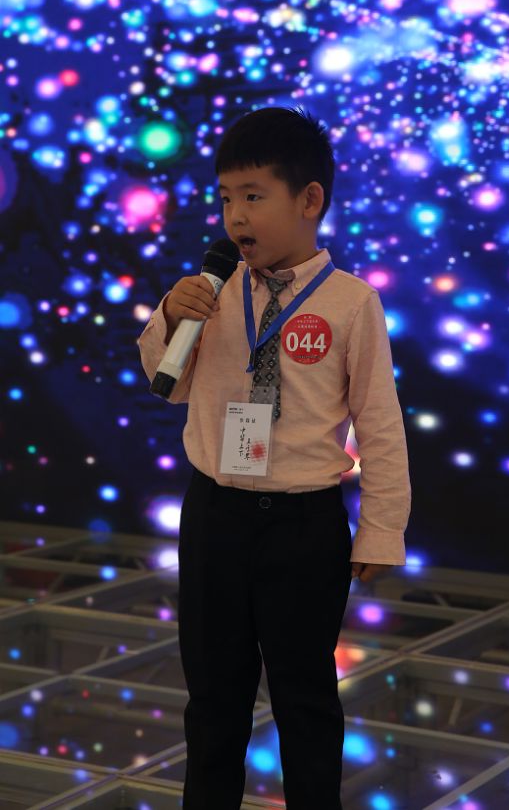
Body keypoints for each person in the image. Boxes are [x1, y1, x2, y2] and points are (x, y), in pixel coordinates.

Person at [137, 106, 411, 810]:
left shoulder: (351, 303)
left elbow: (379, 424)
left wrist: (381, 528)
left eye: (254, 196)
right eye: (226, 198)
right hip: (214, 515)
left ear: (309, 200)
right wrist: (171, 317)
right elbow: (168, 385)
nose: (236, 216)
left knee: (305, 697)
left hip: (303, 525)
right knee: (213, 699)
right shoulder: (211, 291)